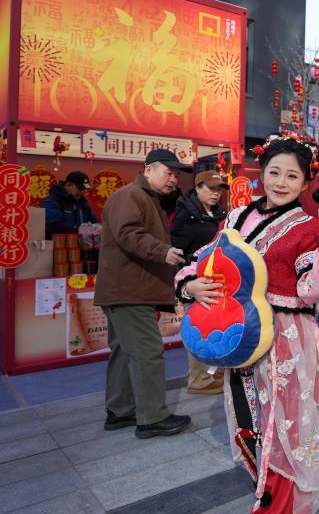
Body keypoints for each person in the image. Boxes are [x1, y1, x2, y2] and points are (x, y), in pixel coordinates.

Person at [178, 133, 319, 514]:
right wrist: (189, 286)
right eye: (274, 171)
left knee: (285, 430)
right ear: (262, 172)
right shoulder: (237, 216)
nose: (280, 181)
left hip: (286, 341)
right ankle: (273, 506)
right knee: (249, 425)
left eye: (292, 175)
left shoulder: (307, 227)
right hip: (239, 339)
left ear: (305, 182)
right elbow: (204, 263)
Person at [94, 149, 192, 438]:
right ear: (148, 169)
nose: (173, 179)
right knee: (148, 352)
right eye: (168, 172)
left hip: (126, 290)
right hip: (129, 292)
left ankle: (120, 411)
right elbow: (129, 234)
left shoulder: (146, 199)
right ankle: (152, 418)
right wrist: (163, 251)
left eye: (176, 175)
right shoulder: (131, 196)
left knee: (125, 352)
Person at [171, 170, 229, 395]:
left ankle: (212, 374)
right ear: (198, 188)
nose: (216, 194)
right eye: (211, 189)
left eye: (219, 190)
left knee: (215, 330)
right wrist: (185, 284)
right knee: (198, 331)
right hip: (194, 283)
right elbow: (177, 251)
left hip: (215, 283)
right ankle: (199, 379)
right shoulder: (187, 215)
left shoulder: (216, 213)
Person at [42, 171, 97, 238]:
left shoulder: (83, 204)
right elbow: (53, 225)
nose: (82, 191)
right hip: (56, 245)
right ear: (68, 185)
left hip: (81, 246)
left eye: (84, 189)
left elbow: (93, 222)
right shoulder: (51, 201)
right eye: (79, 188)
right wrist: (79, 232)